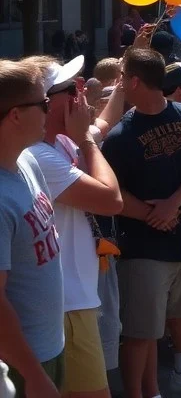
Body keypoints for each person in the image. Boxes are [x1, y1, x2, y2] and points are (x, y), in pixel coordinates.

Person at [101, 48, 181, 398]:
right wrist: (155, 214)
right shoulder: (119, 136)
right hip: (144, 248)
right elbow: (113, 190)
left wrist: (173, 204)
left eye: (123, 77)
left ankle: (167, 383)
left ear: (136, 81)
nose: (120, 84)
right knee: (141, 332)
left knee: (179, 315)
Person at [27, 57, 123, 398]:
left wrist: (124, 83)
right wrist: (86, 141)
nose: (81, 94)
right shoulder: (40, 155)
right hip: (66, 304)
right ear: (46, 103)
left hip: (75, 298)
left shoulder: (61, 142)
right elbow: (111, 200)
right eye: (71, 88)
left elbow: (106, 122)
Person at [0, 59, 65, 398]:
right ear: (14, 115)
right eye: (43, 104)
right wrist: (33, 374)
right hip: (20, 363)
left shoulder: (27, 160)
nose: (49, 110)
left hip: (49, 346)